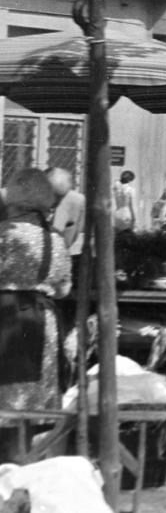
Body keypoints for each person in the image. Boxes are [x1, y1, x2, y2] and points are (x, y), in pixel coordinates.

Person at [0, 169, 73, 425]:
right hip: (42, 322)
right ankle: (33, 455)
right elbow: (64, 289)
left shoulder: (3, 234)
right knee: (36, 399)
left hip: (4, 318)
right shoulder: (55, 239)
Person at [46, 167, 86, 287]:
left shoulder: (77, 201)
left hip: (60, 271)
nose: (56, 201)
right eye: (52, 195)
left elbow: (75, 233)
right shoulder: (23, 201)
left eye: (60, 196)